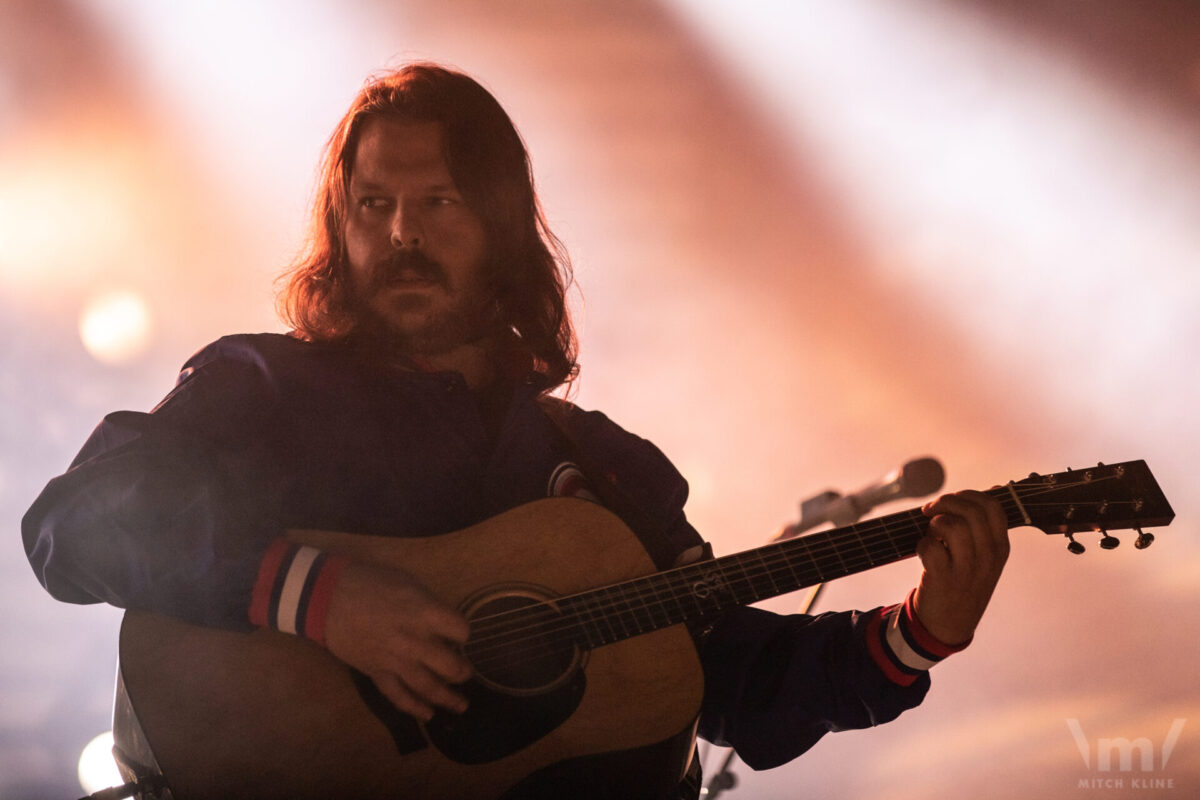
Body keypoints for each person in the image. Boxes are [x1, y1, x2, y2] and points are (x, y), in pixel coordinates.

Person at [22, 63, 1009, 799]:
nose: (401, 234)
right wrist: (316, 596)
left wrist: (922, 630)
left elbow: (729, 681)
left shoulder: (602, 469)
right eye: (374, 204)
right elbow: (73, 524)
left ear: (499, 224)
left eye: (439, 201)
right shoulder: (263, 389)